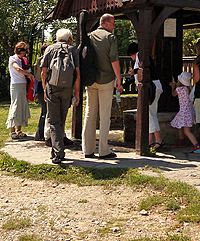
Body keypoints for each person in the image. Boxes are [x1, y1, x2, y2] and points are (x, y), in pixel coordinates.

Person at [82, 14, 123, 159]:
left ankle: (87, 149)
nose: (114, 27)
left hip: (90, 80)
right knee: (104, 116)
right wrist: (119, 79)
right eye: (113, 23)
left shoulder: (89, 36)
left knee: (89, 115)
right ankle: (104, 150)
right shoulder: (111, 38)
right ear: (106, 23)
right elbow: (114, 60)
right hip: (106, 80)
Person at [41, 29, 80, 164]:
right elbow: (77, 73)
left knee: (53, 121)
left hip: (52, 88)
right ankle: (56, 149)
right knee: (61, 120)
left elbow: (43, 71)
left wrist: (44, 88)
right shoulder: (73, 50)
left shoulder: (50, 49)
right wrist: (77, 92)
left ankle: (58, 152)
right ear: (69, 38)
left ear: (57, 38)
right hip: (67, 89)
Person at [127, 43, 164, 150]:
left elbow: (145, 70)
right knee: (149, 114)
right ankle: (150, 140)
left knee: (151, 114)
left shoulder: (141, 57)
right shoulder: (144, 56)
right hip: (154, 87)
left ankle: (159, 139)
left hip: (151, 88)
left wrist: (134, 71)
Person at [6, 42, 35, 139]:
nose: (23, 55)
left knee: (22, 106)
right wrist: (28, 74)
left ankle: (19, 130)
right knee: (15, 106)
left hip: (23, 84)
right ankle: (12, 131)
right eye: (21, 53)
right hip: (16, 85)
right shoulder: (12, 59)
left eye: (24, 53)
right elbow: (17, 68)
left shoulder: (23, 60)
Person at [169, 71, 199, 153]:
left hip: (184, 112)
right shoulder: (189, 89)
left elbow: (173, 94)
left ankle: (196, 145)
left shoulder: (179, 89)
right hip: (189, 111)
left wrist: (173, 87)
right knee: (180, 126)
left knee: (187, 131)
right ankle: (181, 141)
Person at [34, 43, 50, 141]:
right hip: (41, 89)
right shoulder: (42, 60)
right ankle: (39, 135)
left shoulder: (42, 60)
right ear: (44, 51)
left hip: (41, 88)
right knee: (45, 111)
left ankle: (40, 134)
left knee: (45, 111)